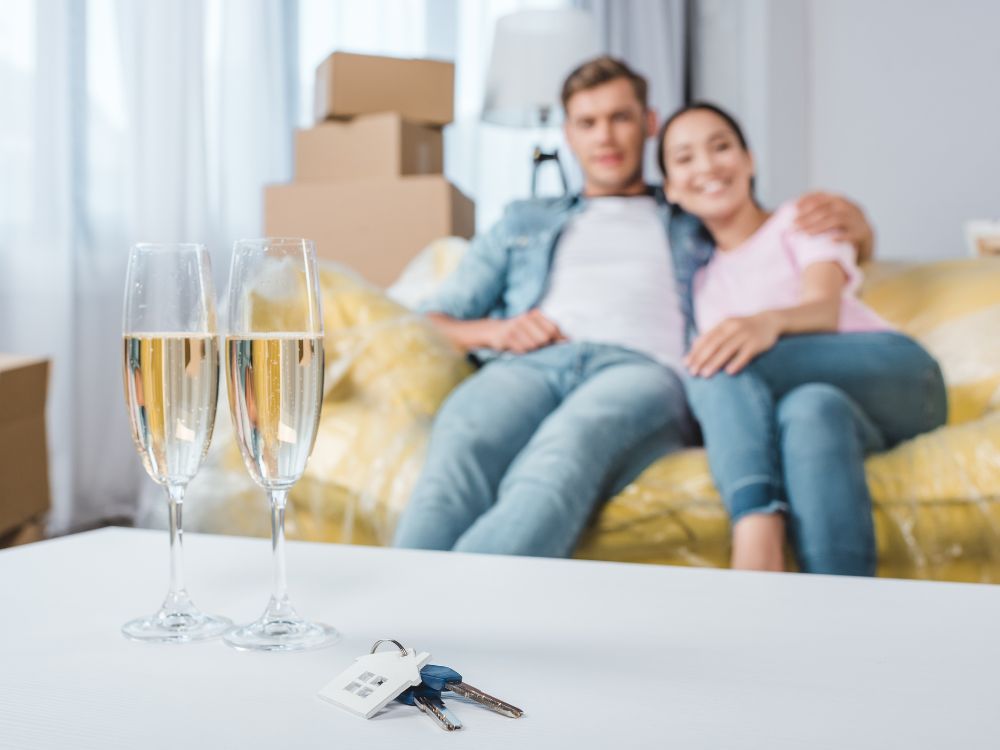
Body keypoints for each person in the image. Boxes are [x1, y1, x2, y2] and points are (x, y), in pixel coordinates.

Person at [392, 56, 875, 564]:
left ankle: (447, 622)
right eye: (588, 123)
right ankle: (392, 636)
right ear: (568, 134)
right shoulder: (525, 219)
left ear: (648, 124)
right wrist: (497, 331)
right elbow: (429, 321)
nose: (605, 137)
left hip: (641, 373)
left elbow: (776, 240)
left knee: (560, 457)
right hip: (530, 363)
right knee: (457, 455)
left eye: (620, 118)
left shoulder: (691, 210)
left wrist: (859, 226)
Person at [658, 102, 948, 575]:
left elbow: (824, 308)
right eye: (685, 158)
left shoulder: (800, 218)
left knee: (719, 357)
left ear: (749, 160)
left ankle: (756, 534)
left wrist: (764, 323)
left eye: (721, 147)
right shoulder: (701, 283)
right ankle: (839, 615)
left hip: (896, 373)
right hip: (830, 405)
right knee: (810, 410)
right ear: (670, 188)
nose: (707, 166)